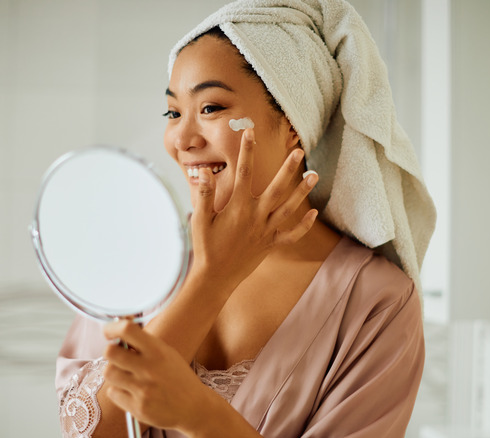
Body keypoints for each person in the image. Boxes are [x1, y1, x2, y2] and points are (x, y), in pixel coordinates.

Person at [55, 1, 436, 437]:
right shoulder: (137, 257)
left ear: (291, 122)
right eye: (173, 112)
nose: (182, 138)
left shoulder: (376, 302)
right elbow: (90, 430)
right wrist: (211, 279)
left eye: (211, 107)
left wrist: (202, 416)